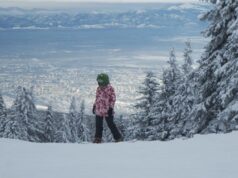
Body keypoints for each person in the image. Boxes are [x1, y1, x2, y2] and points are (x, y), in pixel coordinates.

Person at [92, 73, 122, 143]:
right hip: (99, 110)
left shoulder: (110, 89)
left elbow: (113, 99)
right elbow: (97, 98)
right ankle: (98, 138)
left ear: (106, 82)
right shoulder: (98, 89)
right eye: (99, 83)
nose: (100, 85)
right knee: (98, 125)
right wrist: (94, 106)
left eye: (101, 83)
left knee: (111, 124)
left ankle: (118, 137)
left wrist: (111, 108)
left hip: (107, 110)